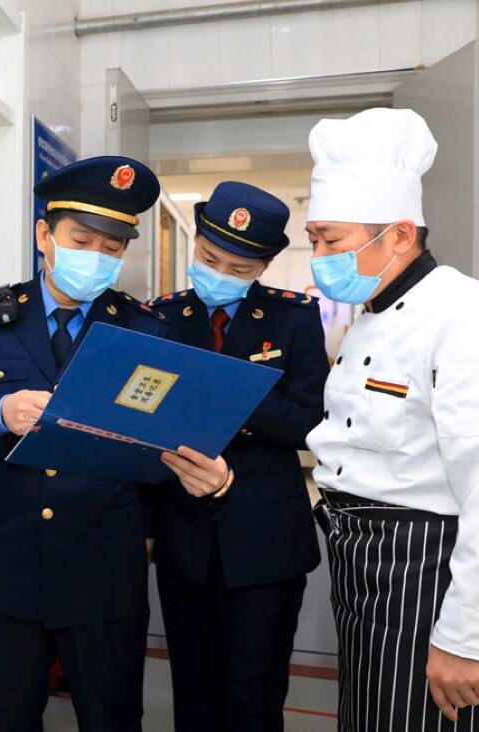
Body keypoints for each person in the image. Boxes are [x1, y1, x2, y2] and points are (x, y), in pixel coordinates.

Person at [0, 156, 231, 732]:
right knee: (11, 716)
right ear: (45, 235)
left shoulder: (144, 329)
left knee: (111, 717)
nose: (97, 256)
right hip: (6, 562)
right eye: (82, 241)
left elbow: (162, 447)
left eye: (111, 248)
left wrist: (192, 476)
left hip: (103, 566)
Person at [304, 107, 479, 731]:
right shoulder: (373, 315)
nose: (318, 256)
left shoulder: (469, 319)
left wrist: (470, 637)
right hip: (368, 571)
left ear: (399, 235)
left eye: (331, 240)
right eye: (314, 240)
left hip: (427, 578)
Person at [147, 182, 328, 731]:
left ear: (264, 267)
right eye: (209, 259)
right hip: (183, 533)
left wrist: (229, 395)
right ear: (196, 243)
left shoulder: (294, 319)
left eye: (239, 268)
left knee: (256, 691)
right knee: (193, 687)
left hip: (265, 537)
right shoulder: (161, 318)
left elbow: (310, 423)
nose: (220, 274)